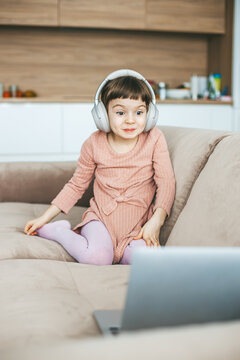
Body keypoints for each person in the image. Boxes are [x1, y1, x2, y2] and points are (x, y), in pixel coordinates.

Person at [24, 69, 176, 265]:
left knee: (144, 260)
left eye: (139, 112)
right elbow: (76, 185)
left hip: (138, 225)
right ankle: (58, 231)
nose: (131, 120)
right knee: (96, 258)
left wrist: (156, 222)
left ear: (150, 114)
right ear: (103, 114)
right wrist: (45, 217)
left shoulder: (154, 138)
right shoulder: (93, 143)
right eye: (120, 112)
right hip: (101, 220)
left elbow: (166, 182)